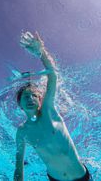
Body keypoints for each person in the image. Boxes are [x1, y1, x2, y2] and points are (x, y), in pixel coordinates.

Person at [13, 31, 91, 181]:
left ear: (41, 100)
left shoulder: (48, 111)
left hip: (81, 177)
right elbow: (19, 165)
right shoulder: (22, 132)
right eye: (26, 96)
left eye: (34, 96)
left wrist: (40, 51)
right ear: (20, 104)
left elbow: (52, 75)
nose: (30, 99)